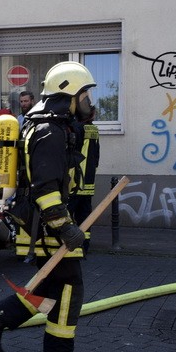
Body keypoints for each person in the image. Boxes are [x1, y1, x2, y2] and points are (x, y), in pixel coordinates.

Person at [0, 61, 98, 352]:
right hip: (47, 225)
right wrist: (65, 227)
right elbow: (44, 188)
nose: (88, 100)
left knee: (52, 288)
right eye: (84, 93)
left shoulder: (51, 126)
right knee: (70, 287)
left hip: (42, 223)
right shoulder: (49, 132)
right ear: (68, 93)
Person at [68, 108, 100, 253]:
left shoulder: (75, 128)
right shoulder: (94, 129)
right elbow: (97, 156)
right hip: (89, 179)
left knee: (68, 215)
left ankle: (69, 244)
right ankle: (85, 245)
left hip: (76, 180)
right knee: (85, 216)